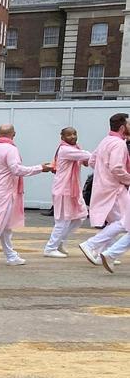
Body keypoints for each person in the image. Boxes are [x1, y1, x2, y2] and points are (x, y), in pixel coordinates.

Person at [0, 124, 52, 268]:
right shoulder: (11, 149)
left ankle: (11, 256)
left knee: (5, 227)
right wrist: (40, 168)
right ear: (14, 134)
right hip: (5, 192)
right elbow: (16, 169)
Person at [78, 113, 130, 271]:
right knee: (123, 222)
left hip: (103, 186)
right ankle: (93, 245)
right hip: (114, 188)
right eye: (128, 124)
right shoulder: (118, 144)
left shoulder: (105, 140)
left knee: (117, 222)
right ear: (122, 127)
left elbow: (92, 161)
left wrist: (103, 173)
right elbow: (116, 167)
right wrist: (128, 179)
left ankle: (106, 252)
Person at [43, 127, 93, 258]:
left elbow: (86, 161)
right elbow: (87, 156)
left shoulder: (75, 149)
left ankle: (60, 241)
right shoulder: (65, 150)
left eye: (75, 134)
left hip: (73, 189)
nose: (73, 136)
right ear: (62, 137)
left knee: (79, 217)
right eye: (69, 135)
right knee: (63, 220)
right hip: (64, 189)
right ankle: (50, 248)